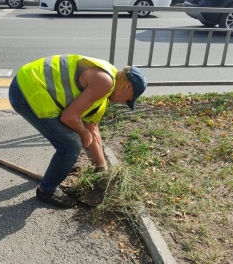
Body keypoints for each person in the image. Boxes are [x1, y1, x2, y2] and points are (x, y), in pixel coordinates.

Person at [8, 54, 147, 208]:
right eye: (128, 99)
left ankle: (61, 167)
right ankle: (46, 191)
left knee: (69, 140)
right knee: (71, 145)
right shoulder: (105, 81)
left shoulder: (105, 92)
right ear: (128, 87)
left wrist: (102, 169)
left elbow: (93, 130)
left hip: (30, 85)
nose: (123, 102)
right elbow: (69, 117)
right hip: (27, 90)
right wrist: (83, 132)